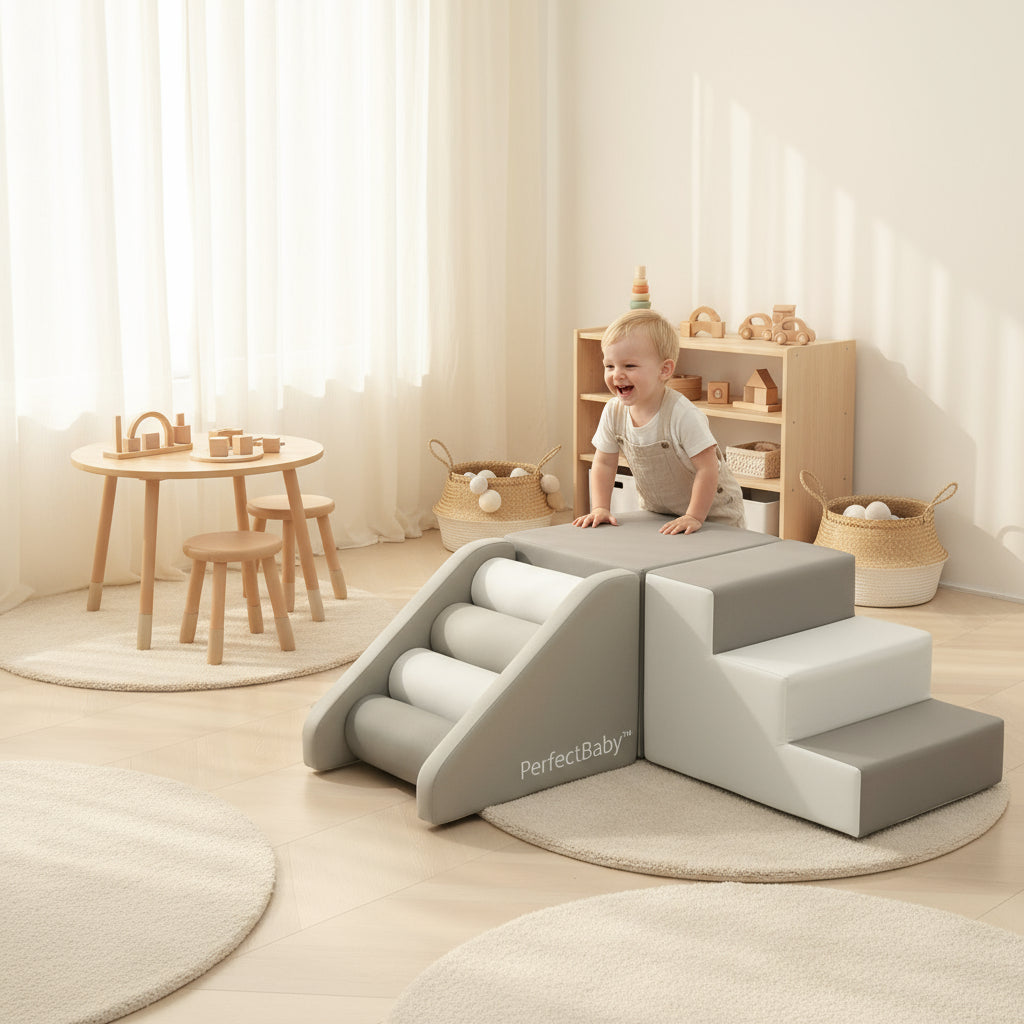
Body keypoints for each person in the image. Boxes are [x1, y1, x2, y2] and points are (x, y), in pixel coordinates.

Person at [573, 308, 745, 535]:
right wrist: (600, 507)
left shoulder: (682, 415)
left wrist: (694, 516)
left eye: (629, 366)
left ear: (664, 370)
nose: (617, 375)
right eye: (610, 366)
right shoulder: (613, 412)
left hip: (713, 513)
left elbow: (708, 469)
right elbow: (604, 463)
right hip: (659, 513)